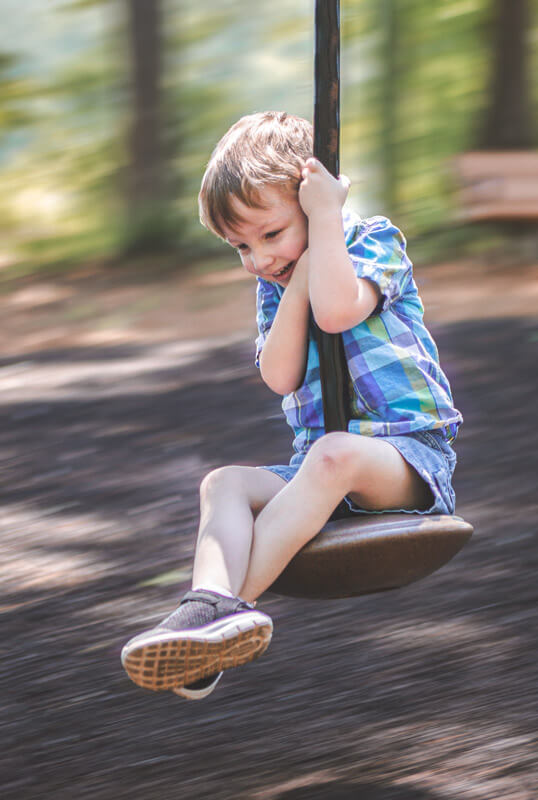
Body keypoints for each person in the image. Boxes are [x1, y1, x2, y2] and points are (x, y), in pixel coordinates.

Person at [120, 111, 462, 700]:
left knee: (334, 453)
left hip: (406, 462)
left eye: (271, 235)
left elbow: (337, 310)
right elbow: (279, 376)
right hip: (318, 470)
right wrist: (292, 281)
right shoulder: (272, 285)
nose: (256, 259)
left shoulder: (371, 239)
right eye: (240, 247)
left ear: (313, 204)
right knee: (222, 483)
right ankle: (206, 608)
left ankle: (224, 615)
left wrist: (325, 227)